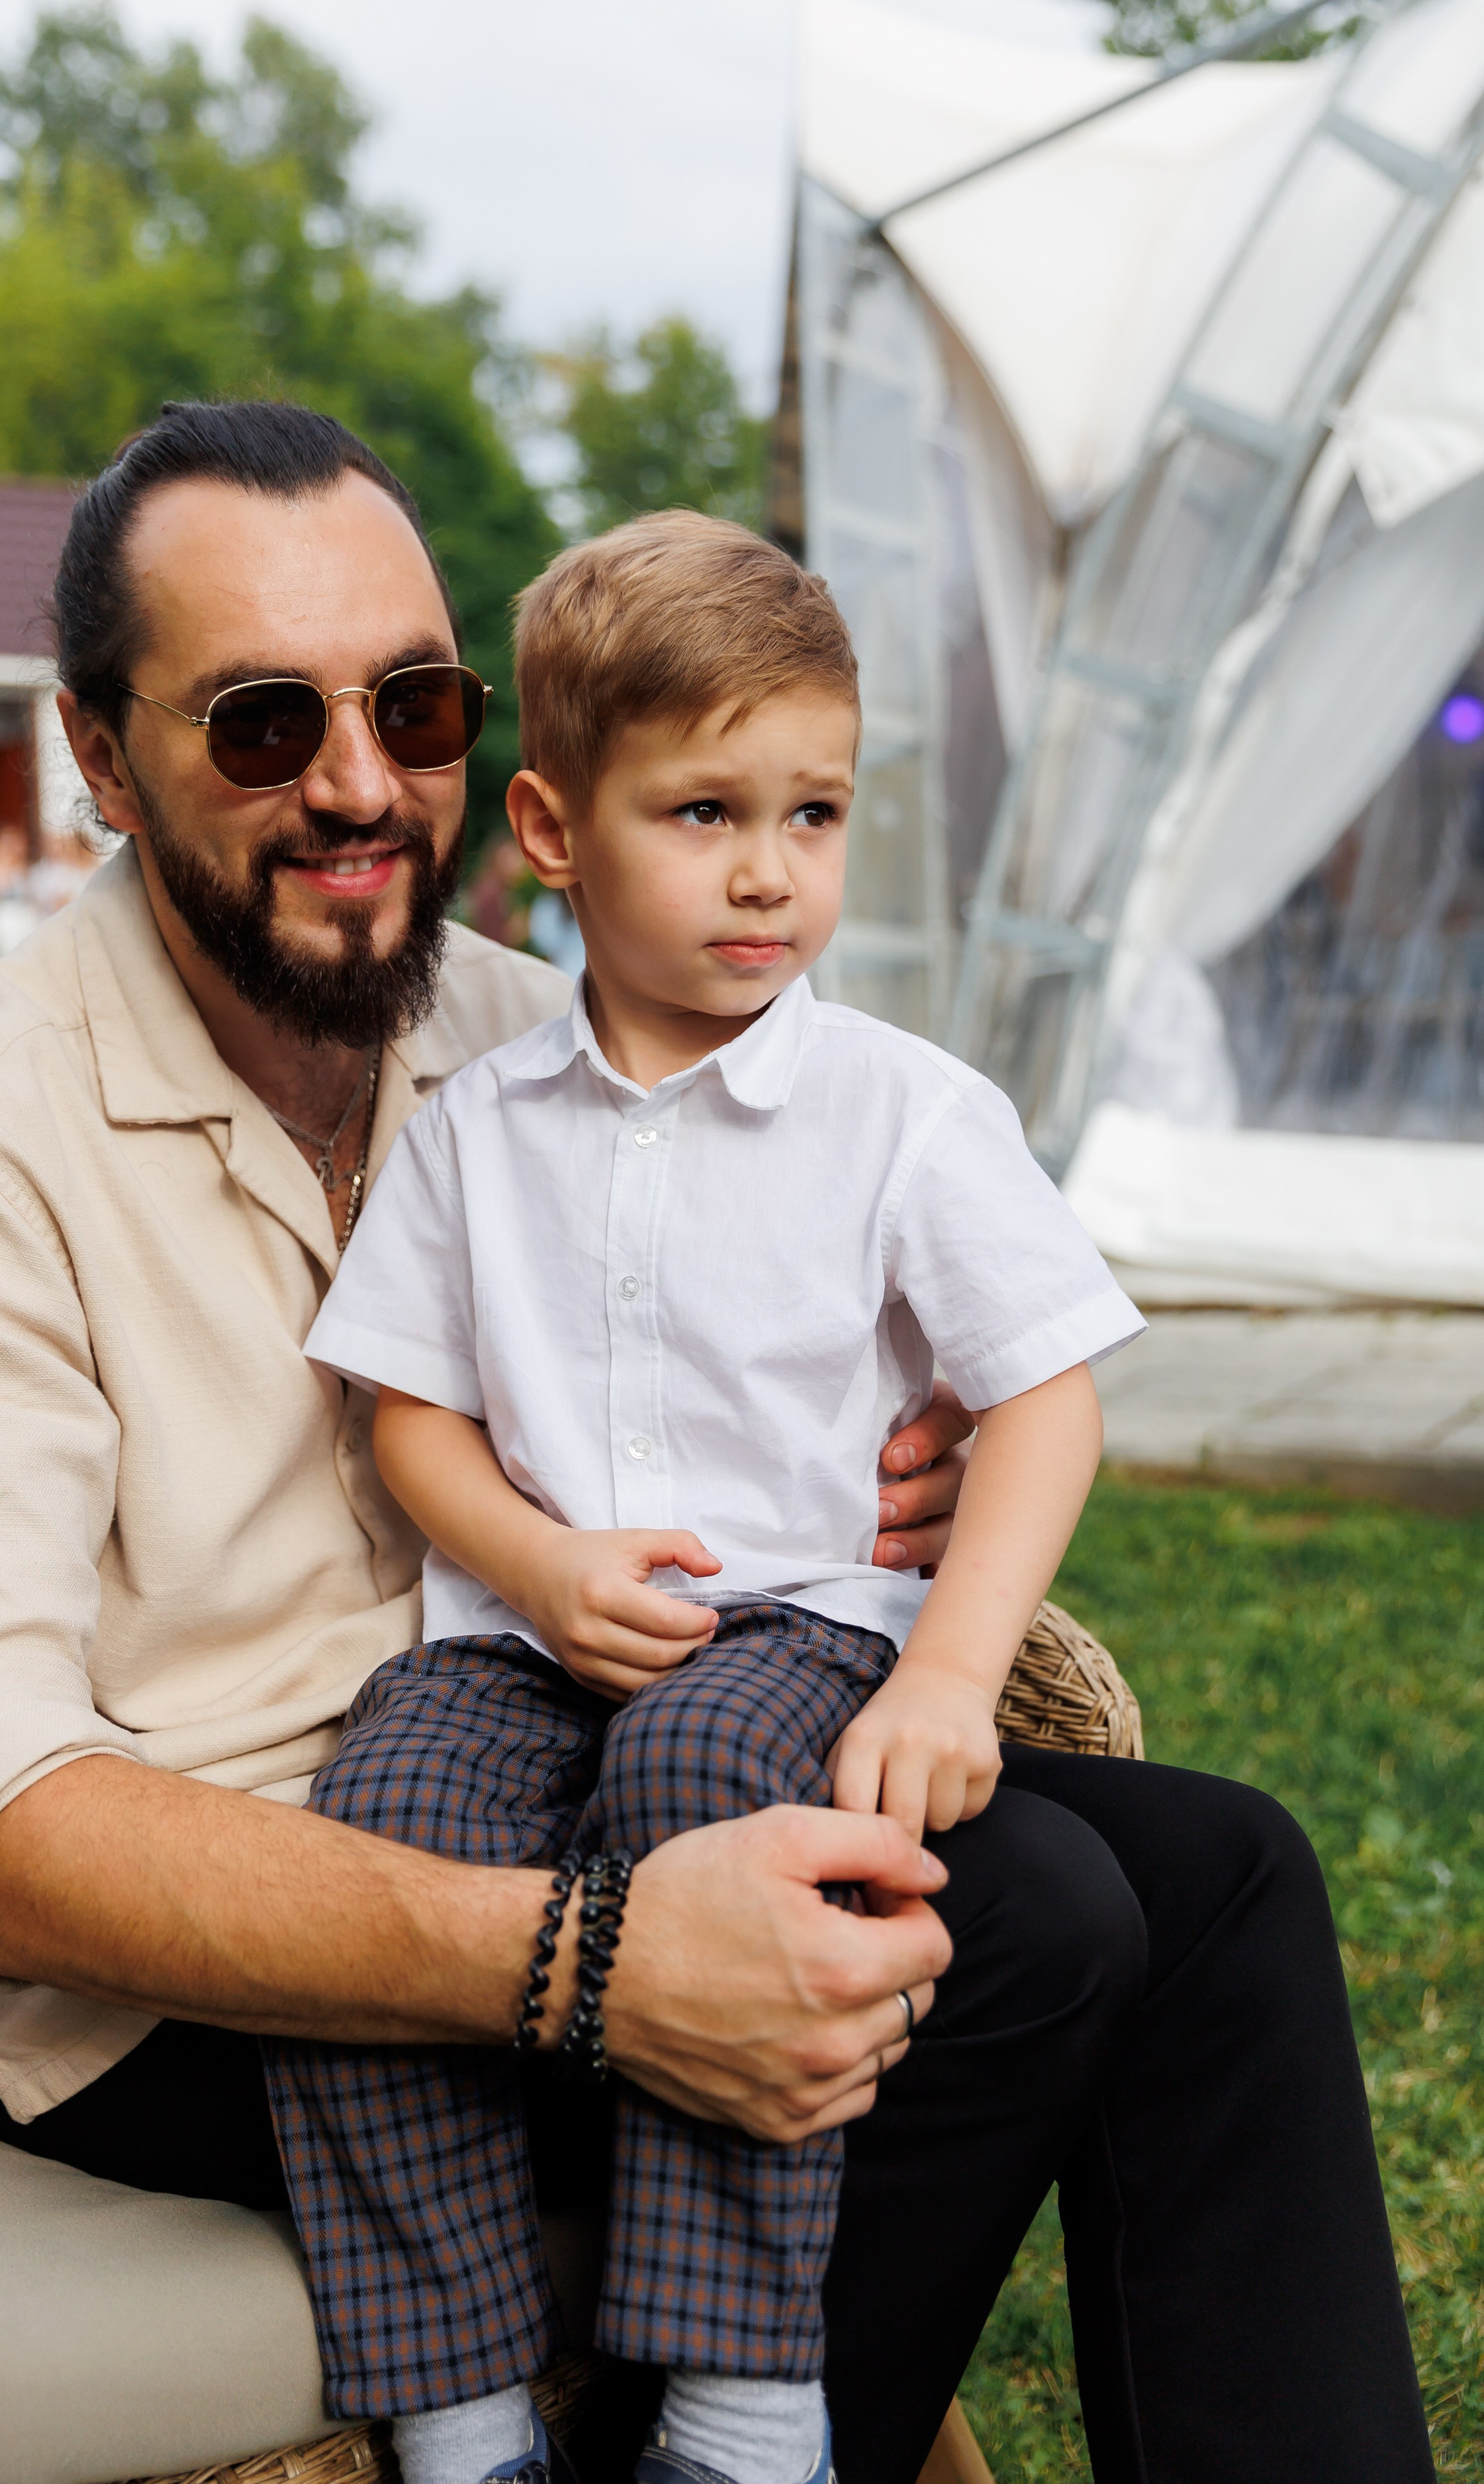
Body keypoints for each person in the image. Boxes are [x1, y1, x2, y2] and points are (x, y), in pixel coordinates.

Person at [0, 400, 1432, 2484]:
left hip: (600, 1754)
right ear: (101, 760)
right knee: (1030, 1927)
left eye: (414, 699)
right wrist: (588, 1967)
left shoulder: (532, 1032)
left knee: (1229, 1879)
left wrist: (893, 1456)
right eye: (266, 725)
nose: (364, 782)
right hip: (192, 1968)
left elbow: (862, 1322)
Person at [277, 512, 1144, 2484]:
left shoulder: (907, 1115)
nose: (771, 871)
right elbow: (412, 1415)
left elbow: (1048, 1400)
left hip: (800, 1636)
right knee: (374, 1850)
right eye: (704, 812)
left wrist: (943, 1678)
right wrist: (536, 1559)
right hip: (525, 1642)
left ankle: (747, 2411)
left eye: (815, 813)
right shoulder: (477, 1130)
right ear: (557, 829)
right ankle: (461, 2409)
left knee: (707, 1800)